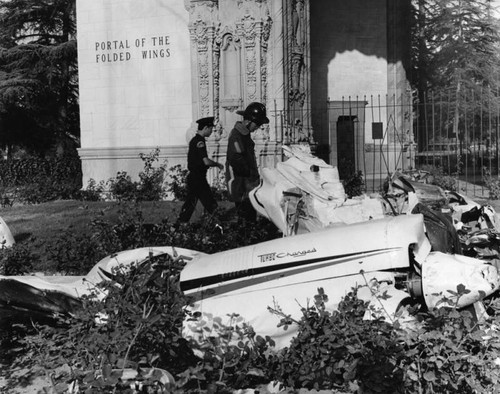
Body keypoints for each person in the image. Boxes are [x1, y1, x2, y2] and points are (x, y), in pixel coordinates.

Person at [226, 102, 269, 222]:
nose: (258, 127)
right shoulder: (237, 135)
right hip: (242, 185)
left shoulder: (244, 134)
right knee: (246, 217)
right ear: (249, 121)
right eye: (257, 124)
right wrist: (250, 175)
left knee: (249, 216)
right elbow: (236, 158)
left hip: (247, 185)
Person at [177, 116, 224, 223]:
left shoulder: (196, 140)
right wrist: (217, 164)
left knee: (190, 205)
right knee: (211, 205)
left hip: (195, 178)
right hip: (198, 179)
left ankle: (177, 227)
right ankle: (220, 228)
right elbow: (206, 161)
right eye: (211, 129)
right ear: (206, 128)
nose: (212, 131)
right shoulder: (200, 141)